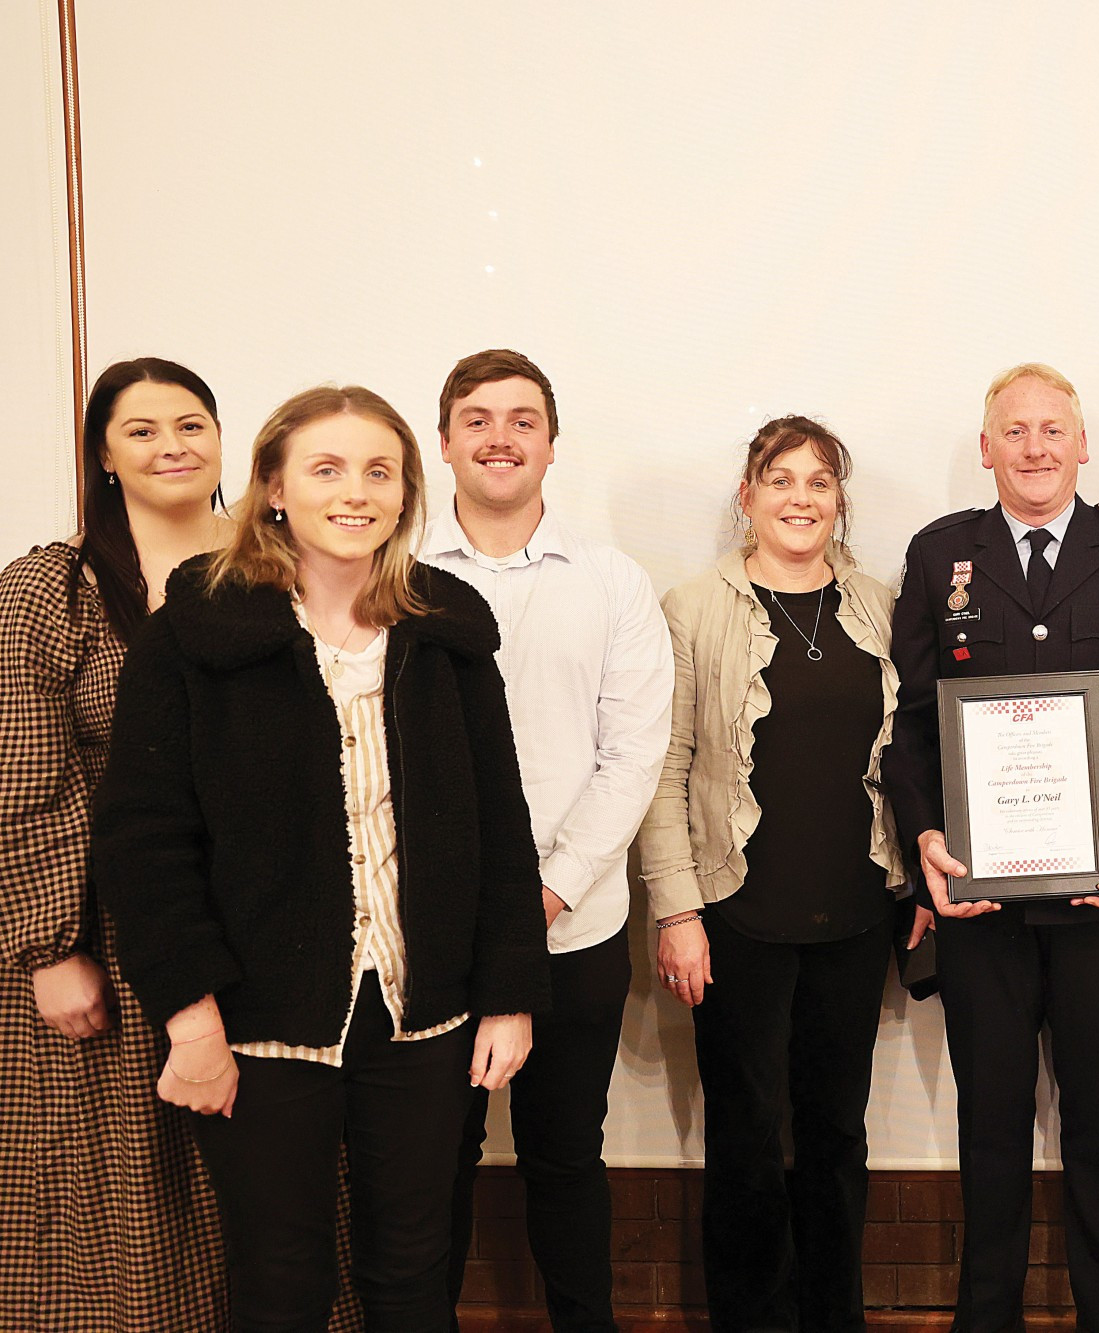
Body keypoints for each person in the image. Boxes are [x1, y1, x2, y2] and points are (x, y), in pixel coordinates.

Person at [94, 384, 550, 1332]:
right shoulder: (197, 631)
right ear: (272, 489)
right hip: (261, 1023)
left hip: (421, 1014)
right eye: (327, 469)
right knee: (279, 1275)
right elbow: (144, 843)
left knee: (415, 1268)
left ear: (405, 491)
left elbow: (500, 826)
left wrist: (508, 991)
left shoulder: (446, 628)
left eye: (379, 472)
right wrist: (189, 1017)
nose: (357, 492)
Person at [881, 363, 1099, 1333]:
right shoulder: (939, 555)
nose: (1034, 448)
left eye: (1051, 430)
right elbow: (906, 726)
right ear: (984, 448)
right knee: (987, 1126)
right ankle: (985, 1317)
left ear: (1081, 444)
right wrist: (927, 838)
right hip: (978, 904)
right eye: (1014, 432)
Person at [637, 416, 916, 1333]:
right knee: (748, 1139)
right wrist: (676, 911)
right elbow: (666, 770)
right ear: (746, 496)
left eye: (820, 482)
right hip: (735, 919)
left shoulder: (880, 602)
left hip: (853, 915)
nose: (801, 498)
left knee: (836, 1137)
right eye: (781, 479)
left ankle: (835, 1317)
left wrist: (915, 881)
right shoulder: (691, 608)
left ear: (840, 501)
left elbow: (910, 759)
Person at [427, 350, 674, 1333]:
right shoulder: (391, 574)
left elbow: (633, 754)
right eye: (477, 418)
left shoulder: (613, 582)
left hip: (573, 929)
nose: (499, 436)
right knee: (431, 1156)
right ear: (442, 439)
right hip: (432, 934)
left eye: (521, 419)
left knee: (565, 1152)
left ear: (551, 444)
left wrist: (547, 892)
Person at [0, 358, 232, 1330]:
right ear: (102, 453)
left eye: (190, 423)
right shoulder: (49, 587)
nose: (171, 444)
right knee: (122, 1187)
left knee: (274, 1186)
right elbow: (21, 777)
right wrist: (52, 949)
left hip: (262, 914)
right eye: (140, 429)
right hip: (101, 919)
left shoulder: (279, 557)